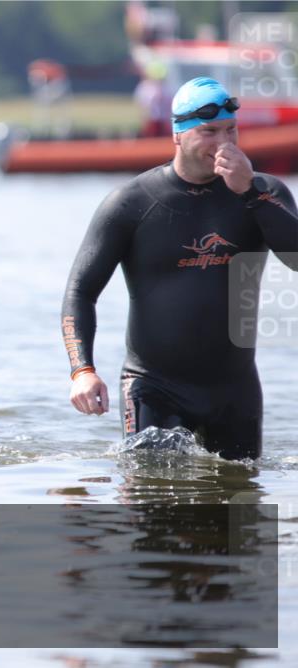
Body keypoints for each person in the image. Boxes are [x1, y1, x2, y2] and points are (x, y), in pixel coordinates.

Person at [62, 77, 298, 460]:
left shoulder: (264, 194)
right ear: (178, 135)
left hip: (235, 391)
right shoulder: (131, 203)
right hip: (154, 388)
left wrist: (250, 192)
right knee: (151, 503)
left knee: (237, 506)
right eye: (209, 132)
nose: (224, 143)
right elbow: (80, 292)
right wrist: (82, 371)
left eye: (231, 130)